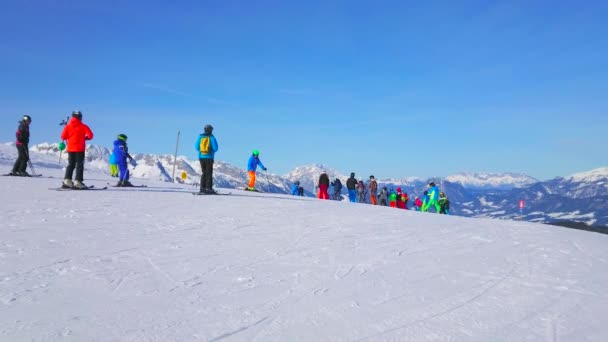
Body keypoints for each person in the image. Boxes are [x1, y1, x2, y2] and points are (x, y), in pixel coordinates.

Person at [60, 111, 94, 189]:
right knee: (79, 165)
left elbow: (63, 137)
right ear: (80, 117)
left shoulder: (68, 126)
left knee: (70, 164)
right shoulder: (83, 126)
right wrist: (85, 138)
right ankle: (78, 182)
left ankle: (67, 181)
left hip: (70, 148)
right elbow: (91, 136)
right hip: (79, 149)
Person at [195, 124, 219, 194]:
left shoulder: (200, 137)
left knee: (204, 173)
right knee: (209, 173)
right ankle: (209, 188)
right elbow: (216, 148)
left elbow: (196, 147)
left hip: (201, 157)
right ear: (211, 130)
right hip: (209, 157)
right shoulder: (212, 138)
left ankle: (202, 188)